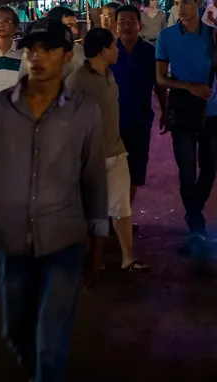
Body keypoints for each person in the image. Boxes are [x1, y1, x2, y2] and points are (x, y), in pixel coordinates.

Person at [0, 18, 108, 382]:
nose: (37, 57)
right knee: (16, 333)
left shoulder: (84, 111)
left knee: (50, 344)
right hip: (12, 242)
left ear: (67, 55)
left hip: (64, 240)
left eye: (48, 49)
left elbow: (93, 177)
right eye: (31, 49)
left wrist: (97, 237)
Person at [67, 28, 150, 274]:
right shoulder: (77, 81)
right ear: (103, 51)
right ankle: (92, 259)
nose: (118, 49)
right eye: (114, 46)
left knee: (122, 207)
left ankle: (128, 258)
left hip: (116, 151)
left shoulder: (110, 74)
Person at [155, 0, 217, 252]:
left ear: (199, 3)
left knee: (209, 169)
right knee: (186, 172)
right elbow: (160, 78)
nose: (181, 7)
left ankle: (193, 213)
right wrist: (188, 86)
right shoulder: (166, 37)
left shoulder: (213, 36)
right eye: (177, 2)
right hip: (183, 112)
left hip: (210, 112)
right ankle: (197, 225)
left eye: (186, 1)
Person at [111, 4, 167, 212]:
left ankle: (124, 215)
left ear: (139, 25)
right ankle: (113, 219)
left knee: (135, 172)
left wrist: (164, 111)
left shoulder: (150, 53)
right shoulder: (109, 52)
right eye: (121, 22)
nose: (126, 26)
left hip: (140, 120)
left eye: (130, 22)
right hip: (111, 123)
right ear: (116, 26)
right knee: (112, 172)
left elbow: (159, 85)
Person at [19, 6, 85, 80]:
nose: (75, 31)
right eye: (69, 27)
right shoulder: (32, 55)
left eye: (76, 26)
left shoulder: (80, 51)